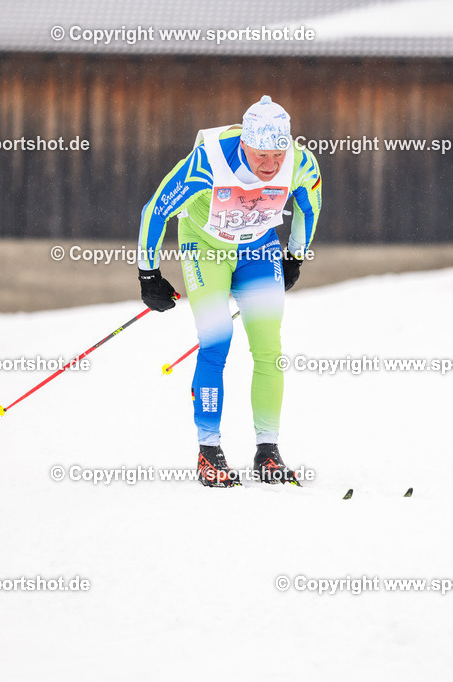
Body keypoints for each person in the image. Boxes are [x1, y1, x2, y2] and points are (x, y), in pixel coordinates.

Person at [137, 96, 322, 488]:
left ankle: (267, 452)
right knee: (217, 339)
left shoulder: (300, 162)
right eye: (260, 156)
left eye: (278, 154)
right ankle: (209, 452)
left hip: (258, 248)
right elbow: (155, 210)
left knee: (269, 348)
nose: (271, 165)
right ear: (245, 145)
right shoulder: (210, 162)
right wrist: (148, 273)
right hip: (205, 248)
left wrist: (295, 254)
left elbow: (310, 204)